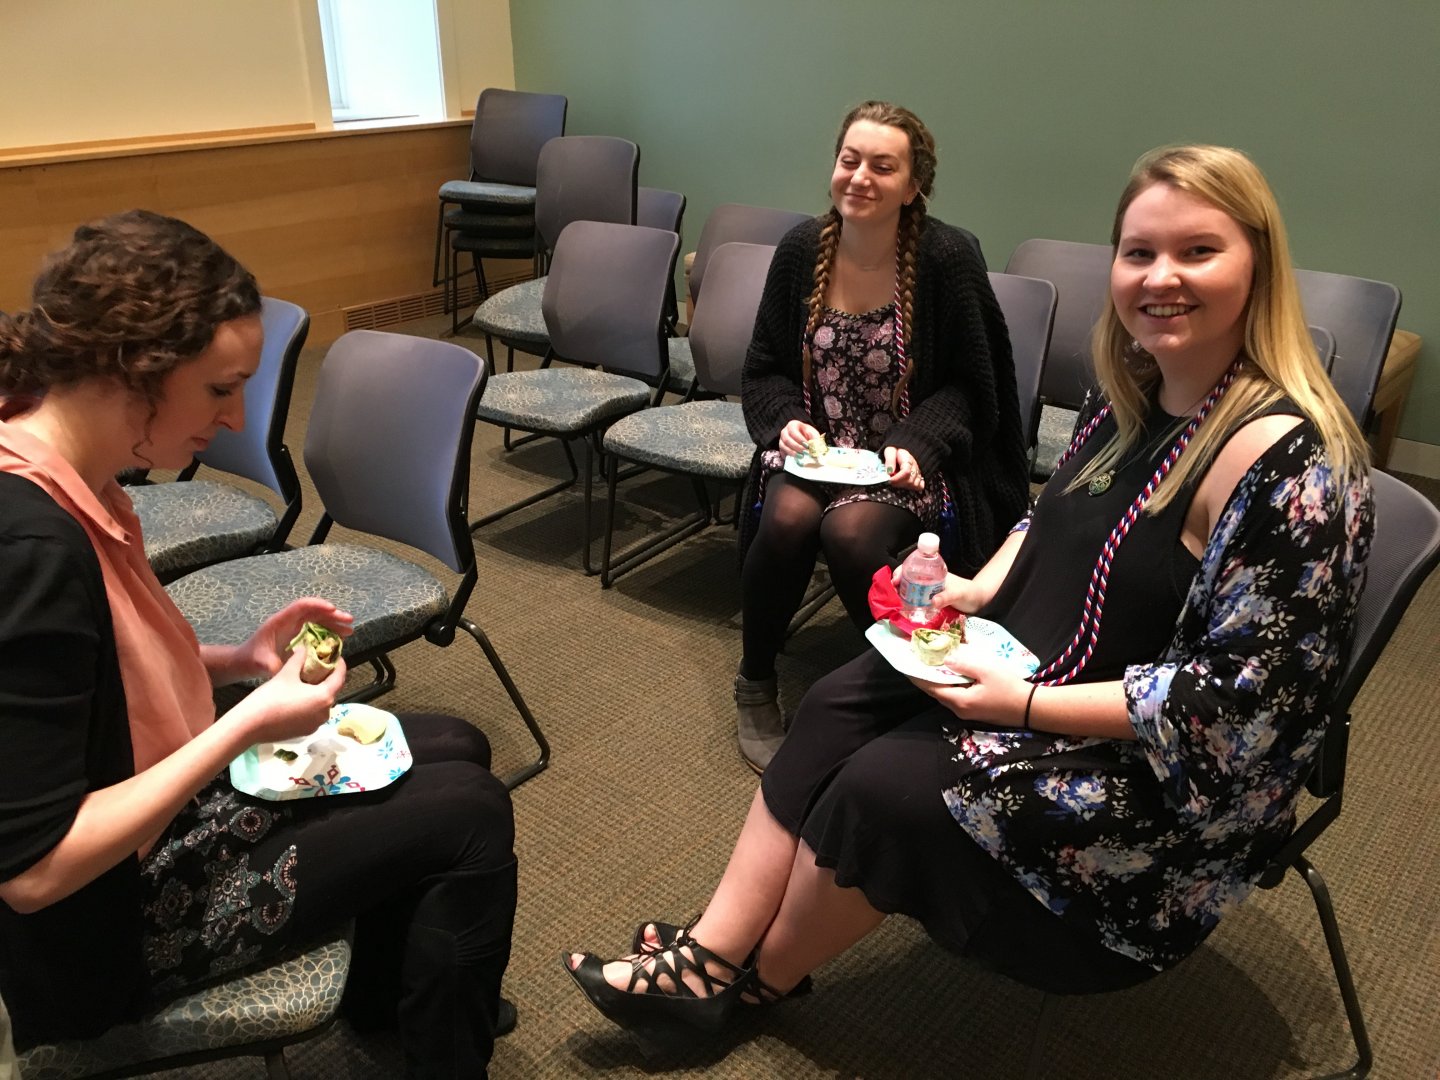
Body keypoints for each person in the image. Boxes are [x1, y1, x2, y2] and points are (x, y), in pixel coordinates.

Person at [562, 144, 1375, 1043]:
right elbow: (1047, 518)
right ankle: (715, 951)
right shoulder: (1131, 391)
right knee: (835, 702)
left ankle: (753, 987)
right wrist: (978, 588)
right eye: (1139, 252)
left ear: (1259, 265)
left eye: (1198, 251)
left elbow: (1240, 707)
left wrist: (1022, 705)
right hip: (1036, 667)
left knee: (883, 786)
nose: (1160, 278)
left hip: (1150, 770)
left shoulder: (1294, 464)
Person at [0, 211, 516, 1079]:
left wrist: (238, 662)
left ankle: (403, 994)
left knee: (454, 744)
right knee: (471, 813)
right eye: (218, 389)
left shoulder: (56, 457)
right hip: (106, 930)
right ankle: (439, 1034)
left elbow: (92, 669)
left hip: (146, 821)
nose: (237, 415)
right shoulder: (28, 549)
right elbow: (35, 871)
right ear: (132, 369)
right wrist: (245, 722)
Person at [734, 100, 1030, 772]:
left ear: (914, 185)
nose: (860, 177)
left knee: (850, 533)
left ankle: (896, 685)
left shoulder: (947, 257)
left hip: (904, 461)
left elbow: (973, 386)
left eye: (883, 166)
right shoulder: (801, 249)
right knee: (786, 518)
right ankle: (754, 680)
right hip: (818, 451)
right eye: (850, 160)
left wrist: (917, 440)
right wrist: (786, 420)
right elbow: (764, 367)